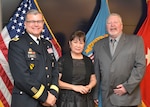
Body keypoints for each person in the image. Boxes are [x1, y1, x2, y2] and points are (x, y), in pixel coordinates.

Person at [93, 13, 146, 107]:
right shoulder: (98, 45)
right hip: (106, 99)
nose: (112, 25)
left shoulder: (136, 41)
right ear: (106, 27)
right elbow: (96, 71)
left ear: (121, 26)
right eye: (109, 23)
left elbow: (140, 66)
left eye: (115, 22)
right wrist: (95, 94)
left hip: (128, 98)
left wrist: (127, 87)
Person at [8, 9, 59, 107]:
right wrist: (45, 97)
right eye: (32, 21)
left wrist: (53, 93)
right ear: (25, 24)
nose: (36, 25)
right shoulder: (17, 44)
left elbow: (55, 70)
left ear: (43, 24)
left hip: (49, 102)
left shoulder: (47, 44)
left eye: (39, 21)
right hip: (26, 102)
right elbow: (22, 78)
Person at [56, 30, 97, 107]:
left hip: (86, 101)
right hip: (67, 101)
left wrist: (89, 86)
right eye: (75, 42)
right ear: (70, 43)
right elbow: (57, 82)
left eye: (81, 43)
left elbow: (93, 79)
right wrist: (74, 87)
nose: (78, 45)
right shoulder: (63, 60)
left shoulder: (88, 60)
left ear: (84, 45)